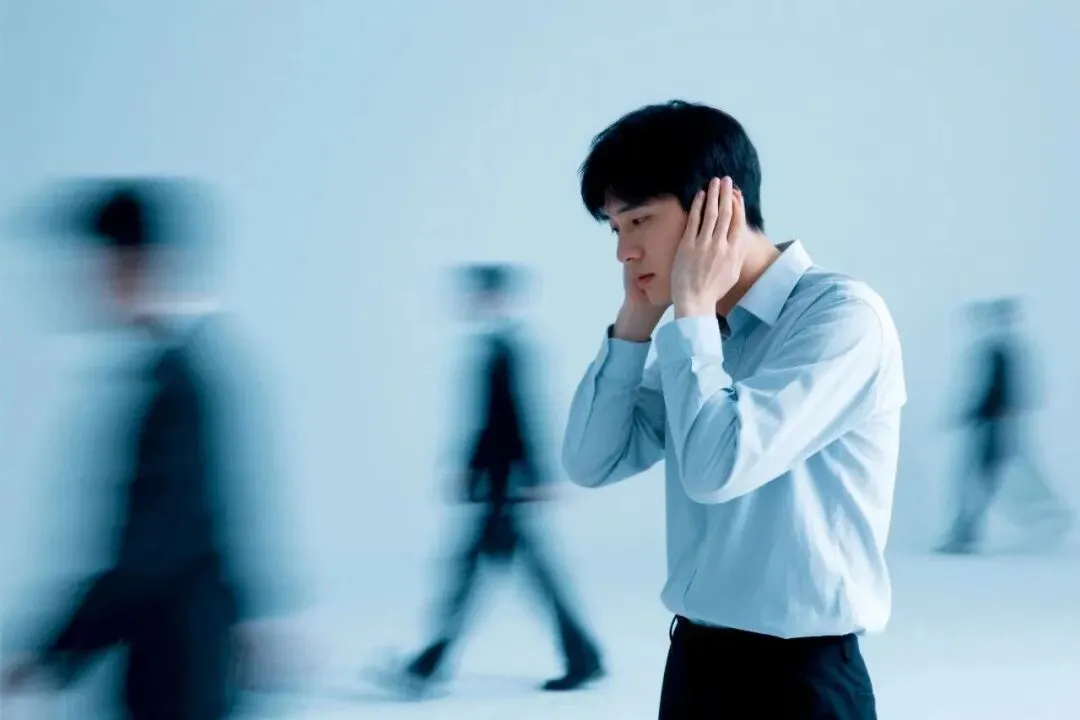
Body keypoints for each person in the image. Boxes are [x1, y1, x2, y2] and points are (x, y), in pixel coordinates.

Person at [561, 100, 907, 719]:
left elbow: (716, 469)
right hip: (696, 666)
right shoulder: (704, 338)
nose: (624, 253)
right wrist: (635, 325)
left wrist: (691, 309)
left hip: (802, 683)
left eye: (639, 221)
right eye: (615, 230)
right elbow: (592, 460)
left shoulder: (841, 318)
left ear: (717, 206)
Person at [0, 178, 299, 718]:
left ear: (135, 265)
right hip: (188, 662)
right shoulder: (191, 366)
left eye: (95, 266)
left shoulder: (176, 385)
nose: (84, 284)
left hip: (175, 672)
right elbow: (212, 519)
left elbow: (153, 550)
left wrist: (50, 653)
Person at [377, 264, 604, 698]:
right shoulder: (495, 349)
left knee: (473, 578)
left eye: (479, 294)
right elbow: (488, 424)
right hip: (500, 487)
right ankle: (583, 657)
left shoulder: (506, 352)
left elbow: (518, 417)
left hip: (506, 489)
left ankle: (428, 666)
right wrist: (470, 469)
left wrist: (536, 476)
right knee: (514, 576)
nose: (471, 301)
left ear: (494, 298)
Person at [938, 298, 1072, 553]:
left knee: (979, 479)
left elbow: (994, 393)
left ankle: (966, 536)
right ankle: (1049, 513)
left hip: (993, 427)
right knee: (995, 477)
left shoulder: (998, 350)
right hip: (998, 426)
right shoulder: (1006, 349)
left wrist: (971, 414)